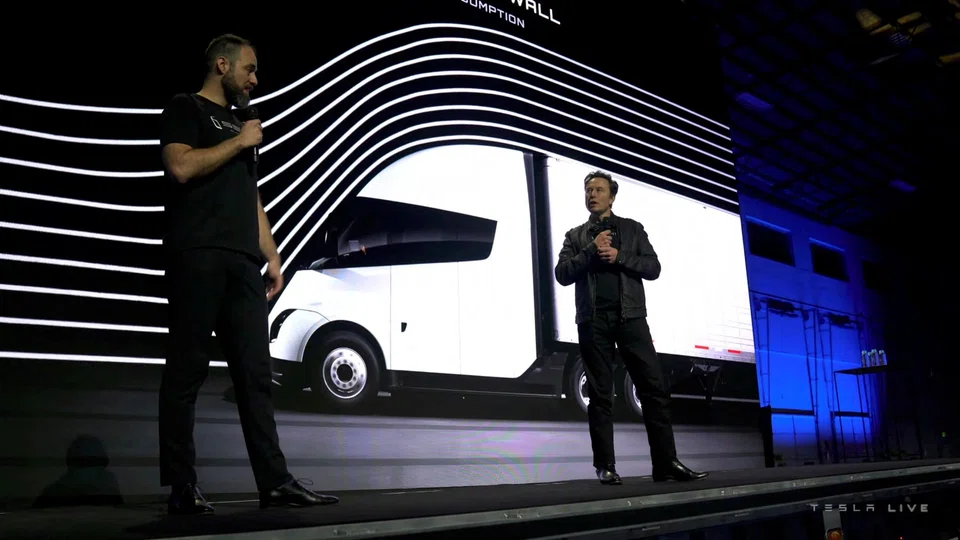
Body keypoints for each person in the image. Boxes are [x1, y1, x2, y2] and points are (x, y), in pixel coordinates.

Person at [157, 34, 339, 514]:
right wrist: (239, 140)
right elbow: (179, 167)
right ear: (223, 64)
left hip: (243, 264)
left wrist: (273, 256)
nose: (255, 80)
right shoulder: (186, 107)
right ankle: (182, 488)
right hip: (197, 256)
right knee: (187, 372)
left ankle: (275, 482)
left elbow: (250, 197)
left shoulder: (241, 124)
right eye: (250, 69)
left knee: (256, 377)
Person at [554, 170, 709, 486]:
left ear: (612, 196)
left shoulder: (633, 229)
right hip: (593, 322)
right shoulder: (575, 236)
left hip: (632, 318)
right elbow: (562, 273)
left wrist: (619, 256)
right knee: (600, 395)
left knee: (653, 388)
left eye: (598, 190)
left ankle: (666, 464)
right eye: (588, 191)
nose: (592, 195)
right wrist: (590, 250)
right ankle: (605, 466)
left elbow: (653, 268)